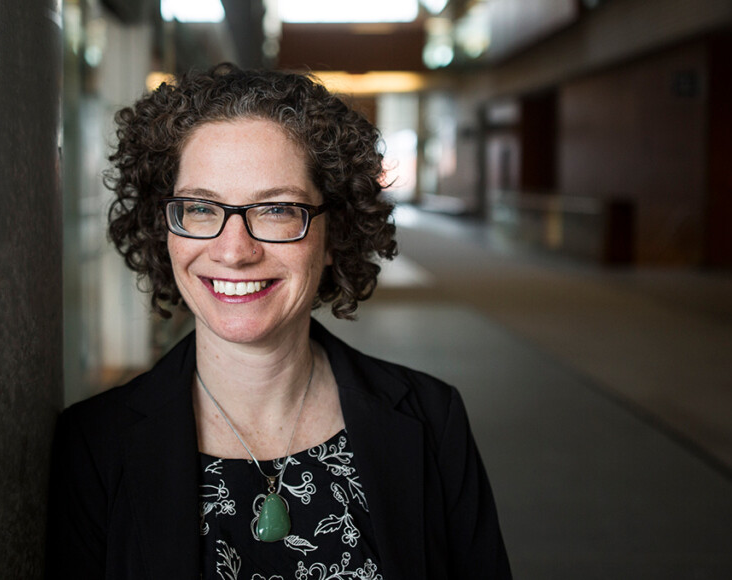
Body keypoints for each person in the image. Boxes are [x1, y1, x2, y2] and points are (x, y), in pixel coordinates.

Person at [46, 63, 511, 579]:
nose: (234, 251)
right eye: (201, 208)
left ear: (334, 234)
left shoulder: (431, 420)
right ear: (166, 230)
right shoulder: (93, 445)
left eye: (276, 211)